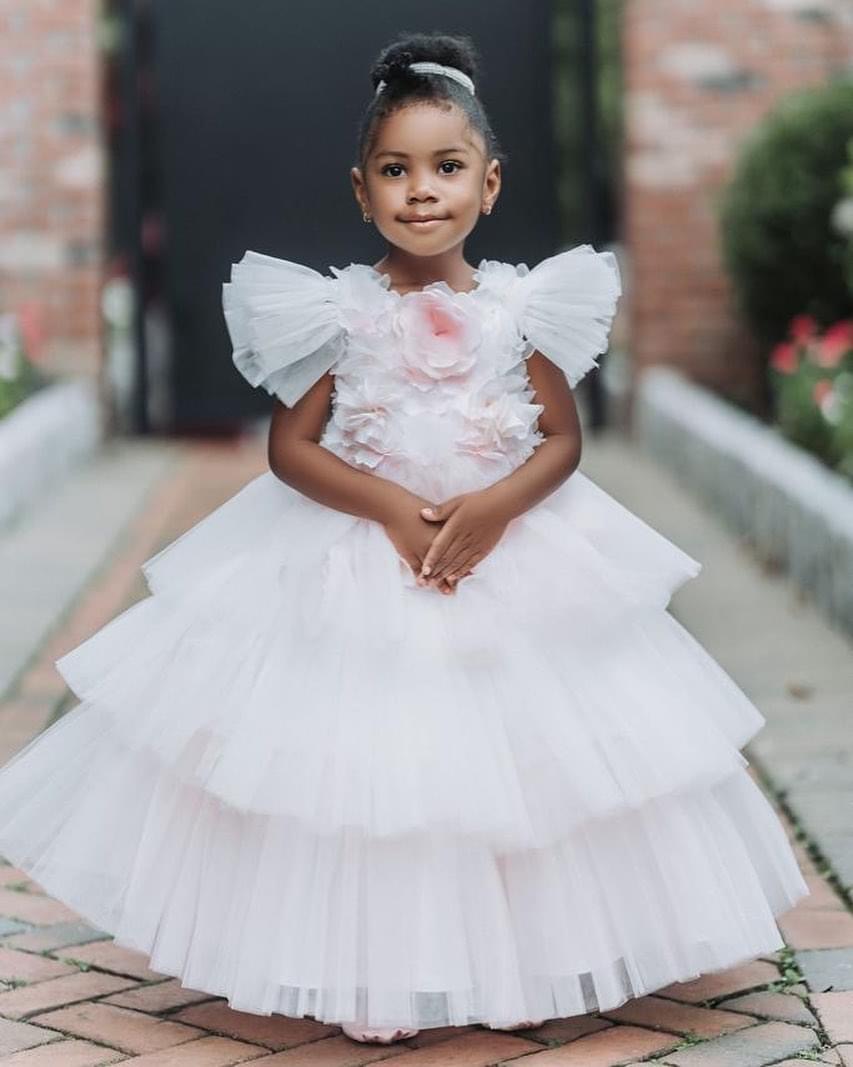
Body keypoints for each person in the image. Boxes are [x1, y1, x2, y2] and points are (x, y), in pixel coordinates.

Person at [0, 30, 809, 1049]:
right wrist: (385, 504)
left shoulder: (522, 311)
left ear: (490, 181)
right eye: (396, 169)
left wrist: (497, 505)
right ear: (360, 188)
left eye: (445, 166)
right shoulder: (341, 313)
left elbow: (563, 438)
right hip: (355, 564)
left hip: (506, 560)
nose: (421, 191)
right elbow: (290, 449)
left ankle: (514, 949)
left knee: (509, 776)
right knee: (368, 778)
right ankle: (373, 964)